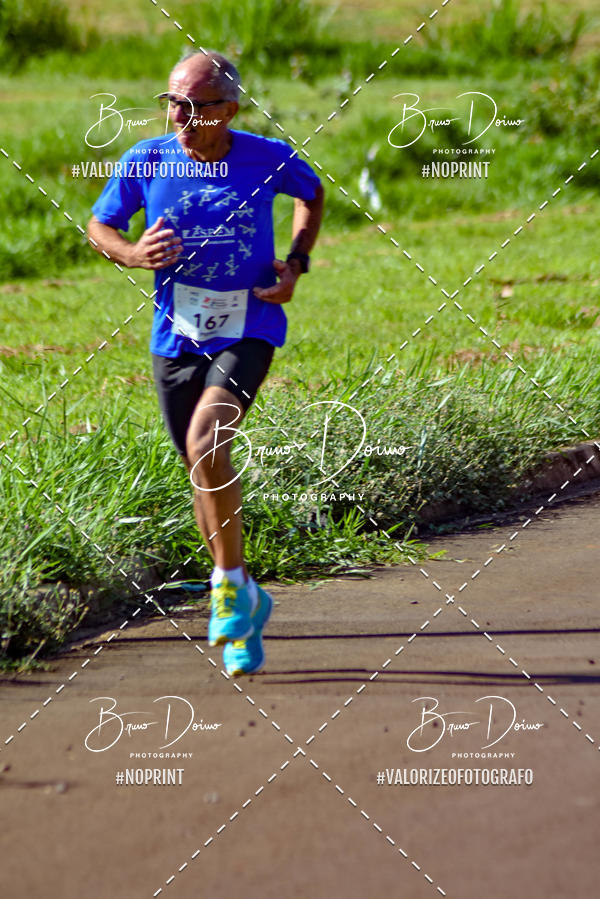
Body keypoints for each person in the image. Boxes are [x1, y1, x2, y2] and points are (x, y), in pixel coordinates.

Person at [87, 50, 324, 676]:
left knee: (206, 439)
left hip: (250, 324)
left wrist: (295, 265)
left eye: (197, 106)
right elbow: (99, 225)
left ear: (230, 110)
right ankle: (243, 594)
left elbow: (313, 194)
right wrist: (133, 254)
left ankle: (223, 588)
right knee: (201, 466)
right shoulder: (147, 159)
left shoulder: (265, 156)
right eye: (173, 103)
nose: (182, 116)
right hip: (176, 334)